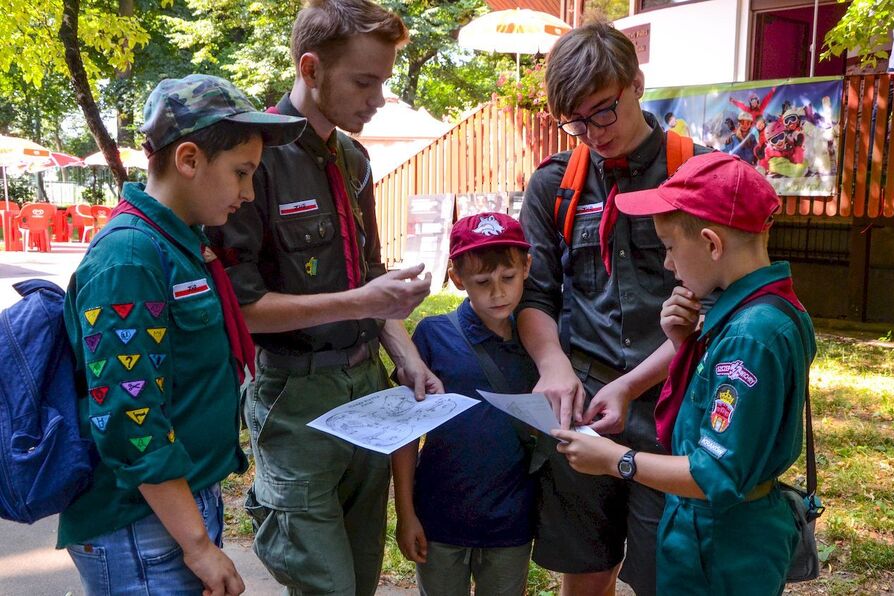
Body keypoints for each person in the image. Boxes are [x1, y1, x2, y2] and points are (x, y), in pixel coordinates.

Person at [205, 2, 442, 595]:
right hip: (294, 398)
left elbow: (370, 282)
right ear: (310, 69)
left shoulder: (354, 158)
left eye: (384, 81)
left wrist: (408, 357)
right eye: (365, 81)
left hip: (368, 388)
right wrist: (364, 300)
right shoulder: (252, 162)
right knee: (325, 586)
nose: (378, 97)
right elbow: (243, 309)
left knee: (360, 580)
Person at [60, 74, 306, 595]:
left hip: (177, 502)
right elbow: (131, 418)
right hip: (139, 524)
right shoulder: (129, 258)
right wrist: (195, 544)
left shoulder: (179, 243)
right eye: (241, 173)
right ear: (189, 160)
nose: (247, 193)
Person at [554, 151, 816, 595]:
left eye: (671, 248)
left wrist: (616, 461)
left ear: (713, 244)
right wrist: (683, 346)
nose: (669, 265)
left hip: (721, 544)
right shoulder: (764, 310)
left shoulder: (749, 337)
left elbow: (715, 472)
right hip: (719, 532)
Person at [516, 19, 709, 596]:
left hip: (678, 405)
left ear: (638, 83)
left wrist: (631, 386)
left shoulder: (700, 174)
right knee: (586, 565)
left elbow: (717, 307)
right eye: (574, 121)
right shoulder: (555, 184)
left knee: (663, 571)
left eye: (603, 111)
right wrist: (553, 368)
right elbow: (536, 292)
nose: (592, 132)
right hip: (587, 401)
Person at [392, 212, 539, 596]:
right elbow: (406, 434)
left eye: (508, 278)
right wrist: (406, 514)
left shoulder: (539, 340)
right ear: (457, 278)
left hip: (512, 520)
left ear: (527, 267)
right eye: (482, 281)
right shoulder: (432, 335)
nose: (498, 293)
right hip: (440, 518)